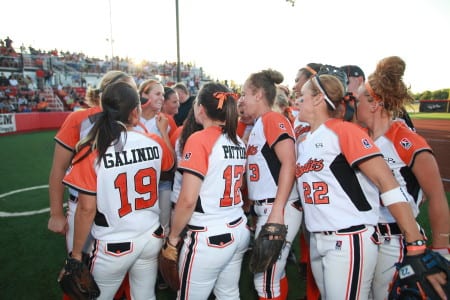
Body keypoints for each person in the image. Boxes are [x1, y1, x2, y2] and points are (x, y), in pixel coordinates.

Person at [295, 73, 447, 299]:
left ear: (318, 99)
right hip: (322, 237)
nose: (297, 101)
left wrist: (417, 243)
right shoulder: (308, 140)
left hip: (351, 237)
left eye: (302, 96)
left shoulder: (345, 132)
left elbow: (387, 182)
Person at [62, 81, 174, 299]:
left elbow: (86, 209)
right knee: (145, 296)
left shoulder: (93, 149)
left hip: (114, 243)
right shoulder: (153, 141)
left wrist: (76, 255)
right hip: (151, 236)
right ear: (134, 112)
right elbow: (169, 164)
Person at [354, 56, 450, 300]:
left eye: (358, 101)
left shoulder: (406, 139)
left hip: (397, 241)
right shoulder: (359, 137)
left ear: (374, 104)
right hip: (365, 237)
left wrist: (442, 251)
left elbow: (436, 195)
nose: (355, 106)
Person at [48, 70, 135, 300]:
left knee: (122, 270)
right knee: (82, 274)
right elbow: (58, 168)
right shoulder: (79, 119)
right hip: (84, 207)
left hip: (120, 208)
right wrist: (56, 213)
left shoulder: (134, 121)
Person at [167, 82, 250, 299]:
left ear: (201, 108)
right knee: (229, 294)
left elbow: (187, 200)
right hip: (237, 227)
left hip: (209, 234)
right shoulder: (238, 141)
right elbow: (239, 185)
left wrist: (173, 238)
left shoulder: (199, 139)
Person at [240, 69, 302, 300]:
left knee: (264, 280)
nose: (242, 99)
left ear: (258, 94)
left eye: (245, 93)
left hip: (278, 207)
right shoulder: (259, 123)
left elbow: (289, 162)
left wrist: (277, 210)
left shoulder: (272, 119)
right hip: (269, 207)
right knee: (275, 274)